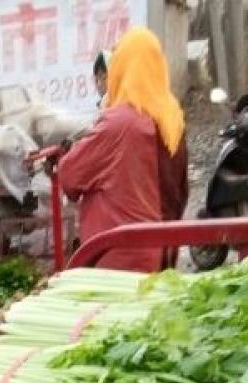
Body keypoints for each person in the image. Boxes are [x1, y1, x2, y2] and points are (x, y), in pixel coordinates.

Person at [59, 27, 187, 273]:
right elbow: (180, 194)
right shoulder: (174, 120)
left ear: (120, 69)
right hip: (163, 255)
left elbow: (70, 176)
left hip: (120, 262)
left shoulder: (119, 123)